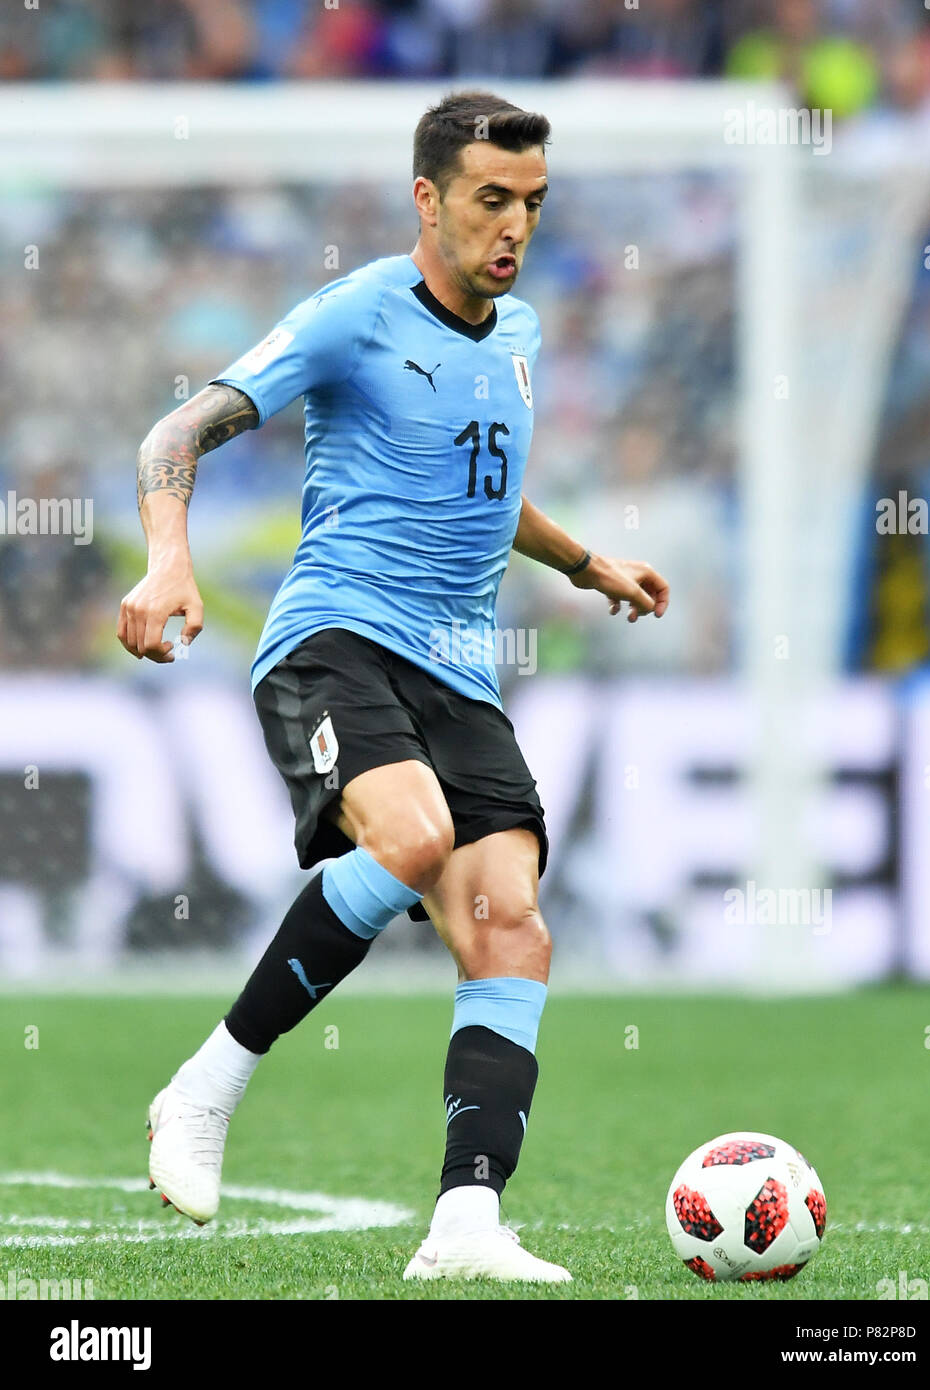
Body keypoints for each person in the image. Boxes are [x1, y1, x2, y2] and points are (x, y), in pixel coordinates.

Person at [116, 90, 669, 1283]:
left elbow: (482, 484)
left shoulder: (517, 338)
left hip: (461, 673)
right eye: (490, 201)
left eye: (532, 203)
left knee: (509, 927)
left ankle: (466, 1224)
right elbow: (175, 434)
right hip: (334, 641)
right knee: (413, 835)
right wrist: (171, 558)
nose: (514, 227)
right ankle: (205, 1088)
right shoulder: (354, 314)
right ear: (428, 200)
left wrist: (585, 563)